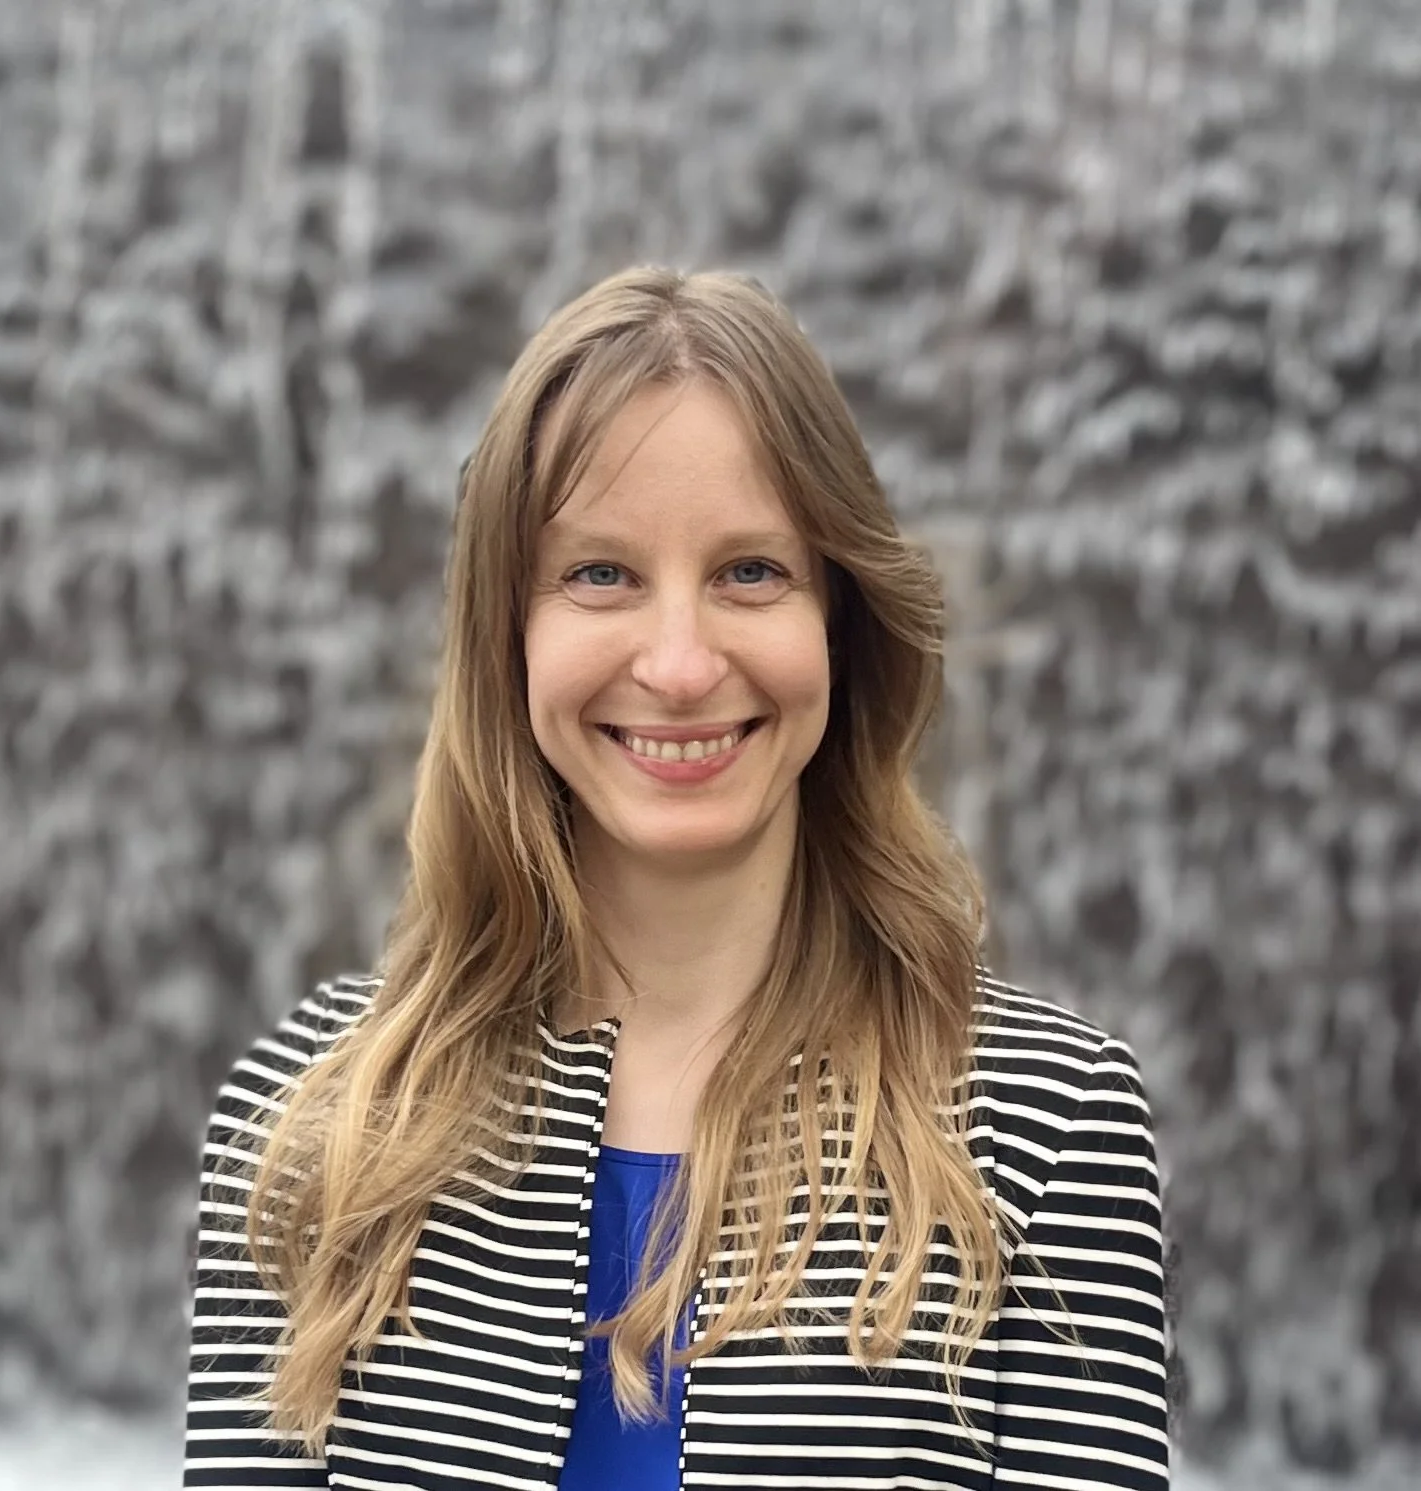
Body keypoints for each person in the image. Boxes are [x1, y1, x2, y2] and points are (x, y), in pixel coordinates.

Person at [182, 266, 1168, 1490]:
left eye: (752, 571)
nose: (682, 664)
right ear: (509, 638)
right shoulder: (307, 1124)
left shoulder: (1046, 1128)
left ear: (841, 623)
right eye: (600, 574)